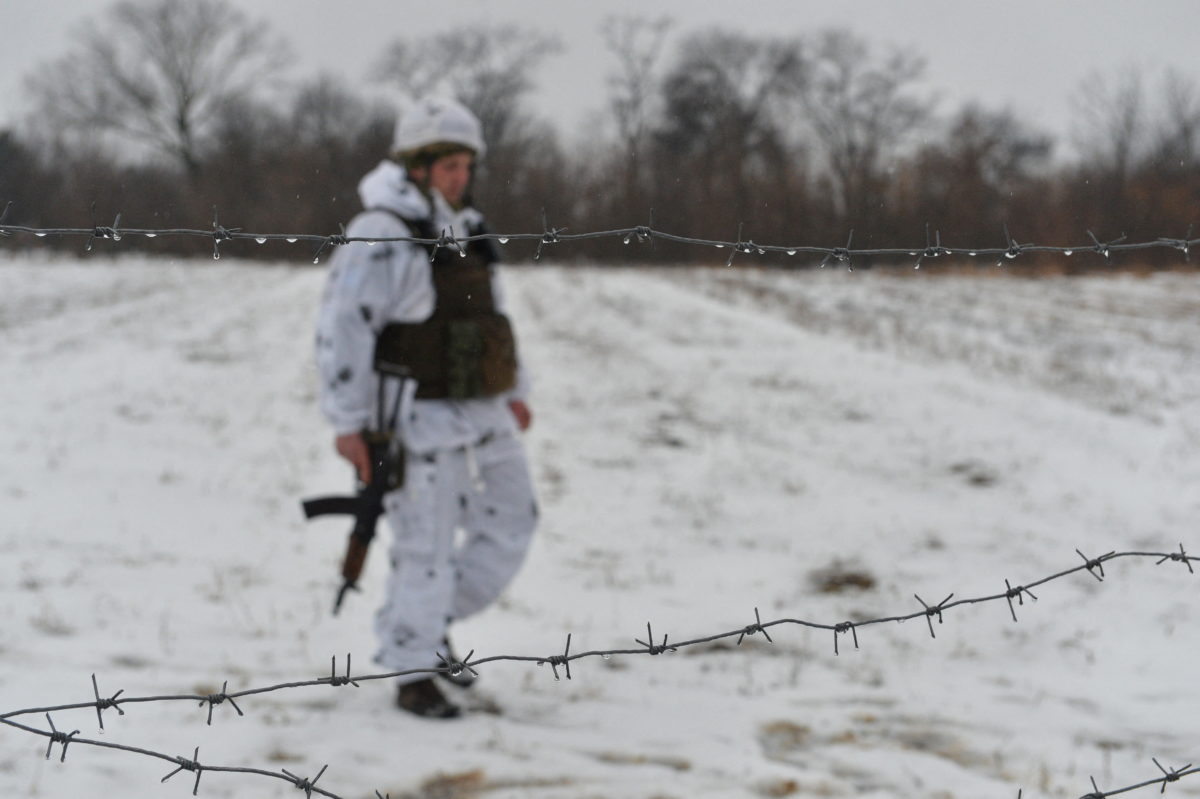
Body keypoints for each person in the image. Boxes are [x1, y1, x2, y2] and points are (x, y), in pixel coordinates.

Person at [315, 97, 537, 719]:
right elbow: (344, 329)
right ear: (416, 166)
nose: (460, 178)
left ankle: (427, 622)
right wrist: (347, 423)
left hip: (483, 406)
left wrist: (516, 389)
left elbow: (492, 317)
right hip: (414, 419)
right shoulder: (381, 232)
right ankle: (413, 671)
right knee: (427, 548)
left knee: (515, 519)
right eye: (448, 167)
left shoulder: (466, 226)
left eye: (467, 166)